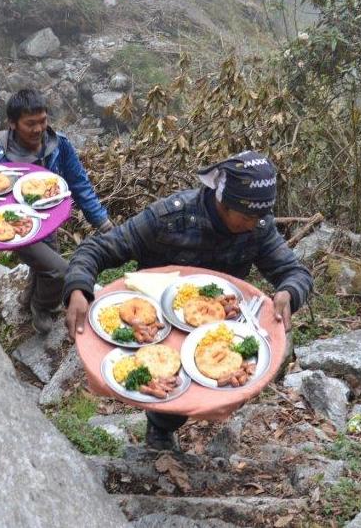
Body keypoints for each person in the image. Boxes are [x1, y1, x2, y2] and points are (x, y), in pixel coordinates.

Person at [62, 150, 313, 451]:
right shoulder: (170, 218)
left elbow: (294, 271)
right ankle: (160, 432)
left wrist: (289, 291)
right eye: (247, 217)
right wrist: (78, 287)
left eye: (259, 217)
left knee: (219, 381)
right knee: (165, 386)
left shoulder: (257, 226)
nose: (254, 224)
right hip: (157, 328)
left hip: (218, 329)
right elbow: (98, 249)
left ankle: (166, 427)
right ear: (223, 200)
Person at [0, 89, 112, 334]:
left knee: (44, 266)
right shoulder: (0, 160)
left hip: (48, 223)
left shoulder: (59, 144)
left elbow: (78, 183)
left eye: (43, 121)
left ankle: (26, 300)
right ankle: (40, 308)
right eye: (30, 124)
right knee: (60, 271)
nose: (38, 129)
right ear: (12, 124)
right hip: (18, 229)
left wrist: (102, 221)